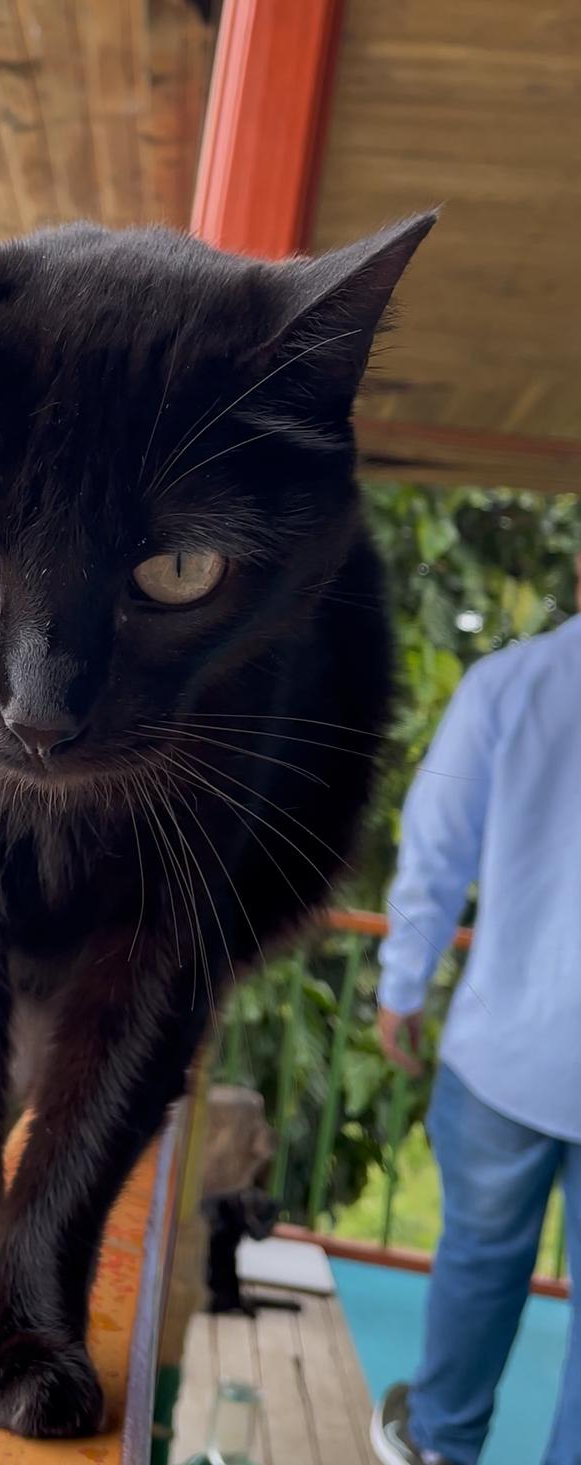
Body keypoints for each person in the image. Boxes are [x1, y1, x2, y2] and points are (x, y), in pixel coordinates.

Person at [370, 551, 581, 1465]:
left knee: (478, 1265)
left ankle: (442, 1443)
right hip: (509, 1055)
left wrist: (403, 985)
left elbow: (436, 844)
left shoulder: (513, 683)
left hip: (509, 1051)